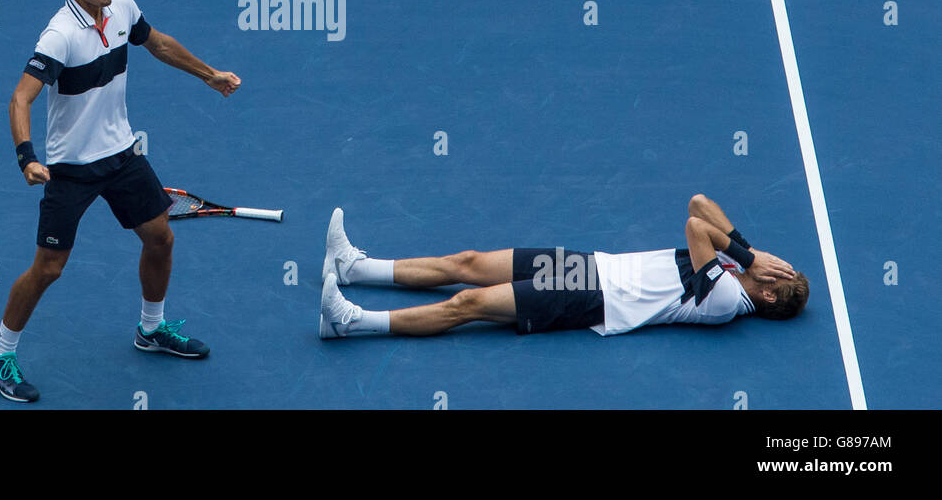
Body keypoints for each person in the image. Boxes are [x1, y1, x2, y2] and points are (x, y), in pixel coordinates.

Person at [0, 0, 241, 402]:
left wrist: (209, 73)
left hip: (122, 154)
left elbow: (156, 43)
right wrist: (27, 157)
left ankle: (151, 328)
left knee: (160, 237)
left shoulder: (120, 5)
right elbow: (20, 98)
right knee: (48, 269)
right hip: (72, 168)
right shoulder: (58, 36)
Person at [319, 194, 808, 339]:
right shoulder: (734, 264)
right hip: (589, 265)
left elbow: (694, 226)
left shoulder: (725, 297)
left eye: (778, 273)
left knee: (467, 304)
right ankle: (356, 269)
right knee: (466, 263)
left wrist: (747, 257)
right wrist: (749, 251)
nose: (773, 265)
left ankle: (352, 324)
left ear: (767, 294)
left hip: (591, 298)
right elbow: (701, 202)